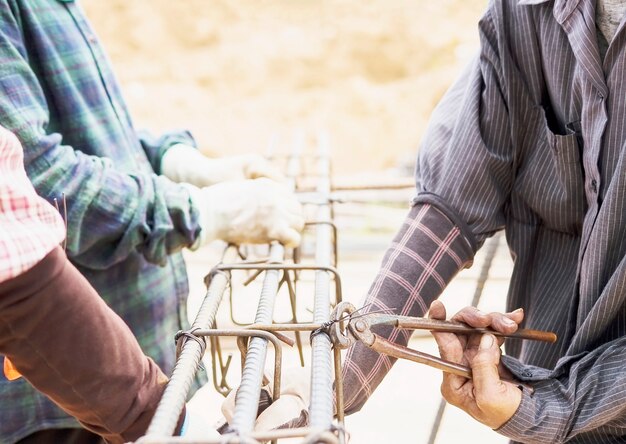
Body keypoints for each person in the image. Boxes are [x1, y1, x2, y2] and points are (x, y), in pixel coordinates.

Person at [242, 0, 626, 442]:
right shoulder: (521, 12)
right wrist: (334, 384)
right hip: (536, 404)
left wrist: (555, 405)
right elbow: (454, 199)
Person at [0, 1, 303, 443]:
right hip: (62, 398)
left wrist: (172, 160)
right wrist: (198, 211)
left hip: (117, 382)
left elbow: (90, 127)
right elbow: (38, 177)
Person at [0, 124, 221, 443]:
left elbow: (97, 126)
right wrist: (151, 413)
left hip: (94, 381)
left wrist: (165, 154)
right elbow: (20, 285)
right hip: (70, 383)